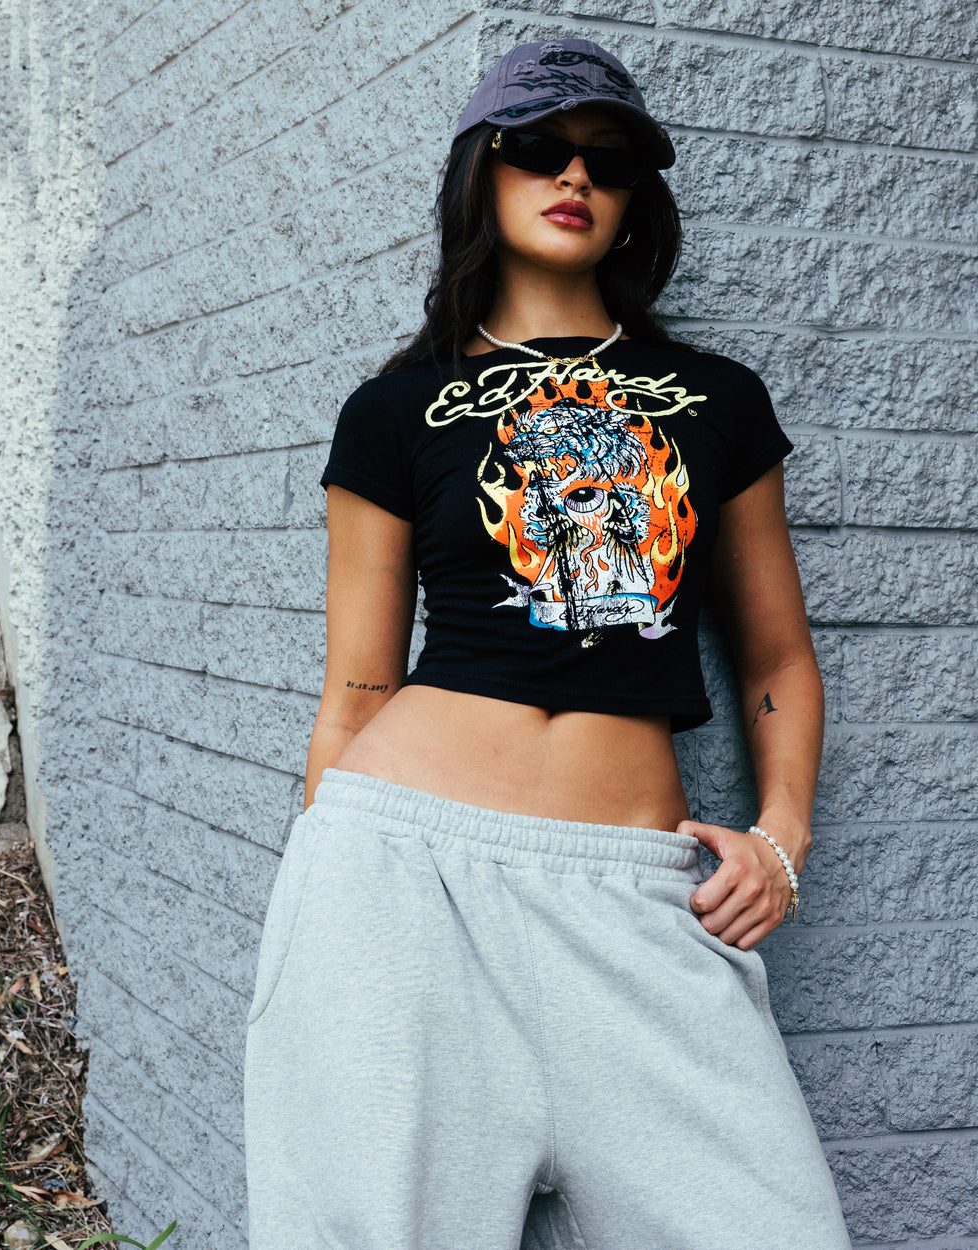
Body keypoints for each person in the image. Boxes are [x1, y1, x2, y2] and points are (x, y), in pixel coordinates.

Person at [244, 37, 852, 1250]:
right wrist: (320, 895)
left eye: (608, 161)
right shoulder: (393, 408)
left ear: (634, 202)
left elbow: (776, 656)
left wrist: (780, 840)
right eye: (537, 147)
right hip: (398, 878)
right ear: (483, 168)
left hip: (637, 893)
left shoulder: (716, 398)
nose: (574, 175)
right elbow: (356, 686)